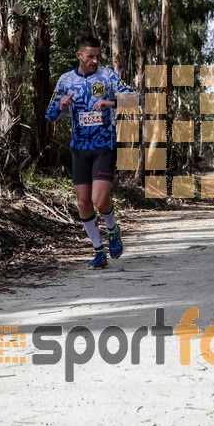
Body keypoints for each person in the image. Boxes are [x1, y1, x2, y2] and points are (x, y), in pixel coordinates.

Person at [45, 36, 138, 270]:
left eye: (97, 56)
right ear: (79, 56)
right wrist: (60, 105)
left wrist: (110, 103)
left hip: (103, 145)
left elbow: (134, 98)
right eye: (90, 56)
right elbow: (49, 115)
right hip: (79, 148)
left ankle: (112, 228)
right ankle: (99, 252)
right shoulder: (65, 81)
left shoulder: (107, 76)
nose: (95, 60)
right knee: (84, 203)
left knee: (99, 198)